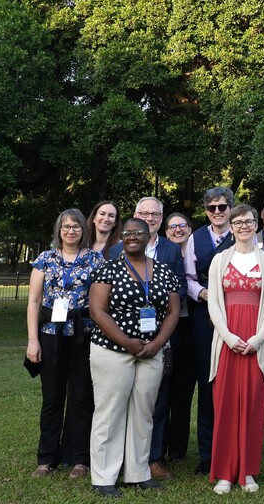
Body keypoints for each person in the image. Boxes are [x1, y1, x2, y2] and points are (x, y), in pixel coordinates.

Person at [87, 218, 180, 496]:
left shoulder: (164, 272)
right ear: (121, 238)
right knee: (111, 412)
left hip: (152, 351)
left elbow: (174, 312)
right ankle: (104, 477)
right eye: (127, 233)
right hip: (113, 350)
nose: (132, 237)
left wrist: (158, 344)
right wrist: (126, 341)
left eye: (138, 232)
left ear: (149, 234)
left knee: (143, 413)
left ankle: (138, 472)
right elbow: (97, 311)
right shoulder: (109, 270)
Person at [208, 204, 264, 494]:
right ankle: (225, 473)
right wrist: (227, 336)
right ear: (231, 226)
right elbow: (214, 302)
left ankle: (248, 471)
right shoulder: (219, 261)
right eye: (237, 222)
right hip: (227, 342)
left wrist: (258, 338)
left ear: (256, 224)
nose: (243, 227)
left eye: (248, 221)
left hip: (255, 344)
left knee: (252, 405)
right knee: (225, 405)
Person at [26, 209, 103, 479]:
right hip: (50, 334)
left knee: (82, 397)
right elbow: (34, 301)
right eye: (66, 227)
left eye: (76, 227)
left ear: (84, 230)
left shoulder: (95, 260)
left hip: (84, 335)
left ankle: (80, 458)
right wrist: (33, 340)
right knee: (52, 398)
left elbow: (101, 300)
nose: (71, 231)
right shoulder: (45, 260)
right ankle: (47, 458)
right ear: (59, 230)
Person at [124, 197, 187, 482]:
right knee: (124, 400)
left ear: (161, 219)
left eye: (154, 214)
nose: (149, 217)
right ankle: (124, 458)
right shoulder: (117, 248)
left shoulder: (172, 250)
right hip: (123, 337)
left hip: (161, 335)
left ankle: (154, 458)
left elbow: (180, 289)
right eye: (143, 213)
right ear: (135, 215)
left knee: (158, 400)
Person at [184, 186, 236, 474]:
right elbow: (189, 277)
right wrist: (203, 293)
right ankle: (208, 453)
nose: (217, 212)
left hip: (238, 316)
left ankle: (232, 445)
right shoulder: (196, 238)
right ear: (206, 211)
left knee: (232, 382)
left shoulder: (244, 234)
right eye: (212, 208)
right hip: (204, 317)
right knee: (207, 383)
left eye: (222, 207)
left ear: (230, 208)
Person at [161, 213, 196, 464]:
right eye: (172, 227)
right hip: (165, 326)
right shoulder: (162, 255)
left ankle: (178, 449)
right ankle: (160, 443)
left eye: (182, 225)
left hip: (190, 326)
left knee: (183, 390)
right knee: (163, 387)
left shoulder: (195, 254)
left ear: (190, 229)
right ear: (166, 232)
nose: (177, 230)